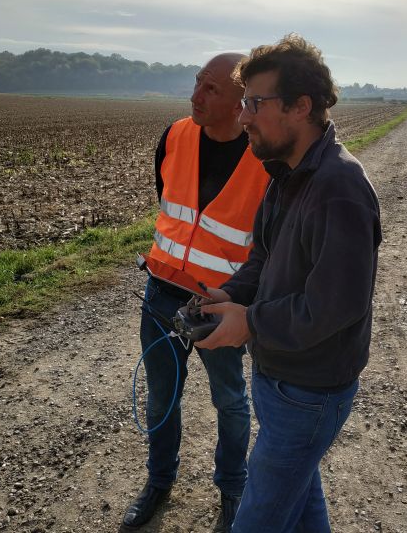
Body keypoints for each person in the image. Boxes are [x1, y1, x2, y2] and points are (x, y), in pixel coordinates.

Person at [196, 34, 382, 532]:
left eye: (255, 104)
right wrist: (231, 295)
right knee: (300, 505)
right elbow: (264, 256)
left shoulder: (338, 189)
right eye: (243, 104)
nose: (244, 117)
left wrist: (249, 324)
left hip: (311, 390)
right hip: (282, 376)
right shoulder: (287, 172)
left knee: (259, 518)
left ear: (302, 106)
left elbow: (332, 307)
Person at [120, 53, 270, 532]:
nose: (196, 96)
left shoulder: (265, 157)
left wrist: (242, 301)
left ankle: (232, 488)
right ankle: (159, 482)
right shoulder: (174, 136)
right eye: (197, 83)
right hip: (161, 292)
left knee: (230, 399)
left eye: (211, 90)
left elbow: (268, 243)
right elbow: (168, 202)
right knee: (162, 398)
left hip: (219, 305)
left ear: (239, 103)